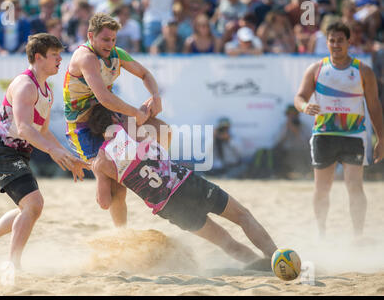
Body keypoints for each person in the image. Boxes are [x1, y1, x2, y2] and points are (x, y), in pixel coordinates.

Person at [88, 104, 278, 270]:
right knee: (242, 216)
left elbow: (104, 203)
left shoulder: (101, 162)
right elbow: (165, 130)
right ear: (115, 117)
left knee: (224, 241)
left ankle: (255, 263)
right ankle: (277, 259)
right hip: (185, 184)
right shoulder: (130, 125)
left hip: (168, 207)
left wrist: (99, 174)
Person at [0, 33, 88, 274]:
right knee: (34, 204)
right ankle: (13, 264)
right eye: (54, 55)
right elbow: (23, 128)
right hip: (0, 151)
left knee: (30, 208)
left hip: (16, 154)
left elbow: (43, 131)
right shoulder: (25, 85)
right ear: (38, 57)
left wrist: (65, 154)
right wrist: (54, 150)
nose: (60, 59)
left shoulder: (46, 90)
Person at [63, 13, 166, 228]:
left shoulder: (116, 54)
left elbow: (145, 74)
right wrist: (136, 114)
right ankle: (101, 172)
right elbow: (104, 97)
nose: (110, 45)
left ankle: (122, 234)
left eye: (113, 40)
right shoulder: (86, 57)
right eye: (105, 40)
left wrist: (156, 97)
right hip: (82, 126)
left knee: (120, 185)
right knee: (106, 197)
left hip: (104, 117)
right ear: (91, 36)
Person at [294, 22, 384, 238]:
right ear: (327, 42)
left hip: (353, 136)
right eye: (332, 41)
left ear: (348, 42)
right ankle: (321, 233)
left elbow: (374, 106)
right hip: (324, 135)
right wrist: (305, 107)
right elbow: (299, 97)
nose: (335, 45)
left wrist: (381, 138)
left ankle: (357, 236)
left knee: (354, 186)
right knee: (322, 189)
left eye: (340, 40)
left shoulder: (363, 71)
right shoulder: (316, 69)